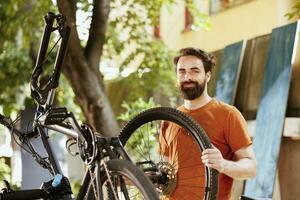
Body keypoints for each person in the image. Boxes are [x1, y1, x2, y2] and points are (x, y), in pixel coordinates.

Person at [159, 47, 257, 200]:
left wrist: (223, 165)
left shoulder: (228, 114)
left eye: (194, 71)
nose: (187, 77)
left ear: (208, 76)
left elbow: (251, 168)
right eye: (181, 71)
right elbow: (165, 171)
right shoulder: (169, 119)